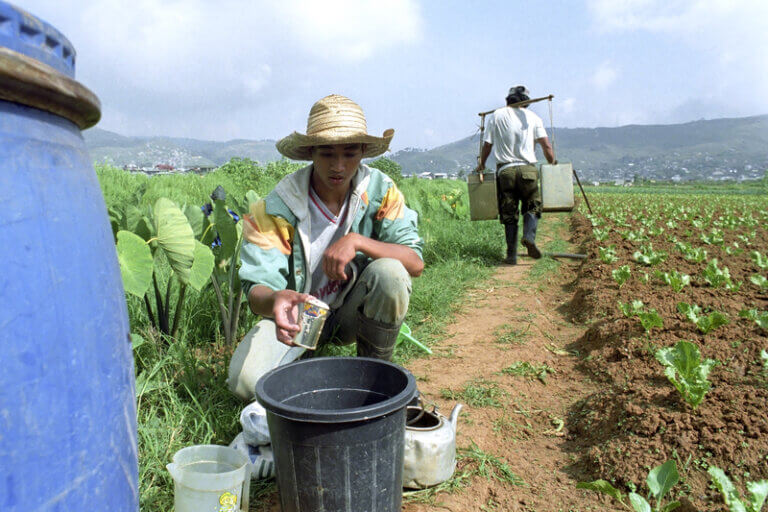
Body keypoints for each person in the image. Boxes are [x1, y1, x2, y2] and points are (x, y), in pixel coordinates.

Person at [227, 94, 424, 401]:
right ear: (310, 153)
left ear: (362, 153)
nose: (339, 166)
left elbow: (414, 262)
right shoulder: (277, 207)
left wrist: (358, 241)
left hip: (349, 313)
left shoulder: (380, 190)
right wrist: (277, 299)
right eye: (327, 154)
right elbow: (256, 289)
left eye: (349, 153)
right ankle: (300, 367)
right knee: (245, 383)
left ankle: (375, 377)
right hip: (296, 317)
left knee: (391, 273)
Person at [475, 85, 556, 264]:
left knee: (509, 214)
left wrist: (481, 164)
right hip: (528, 170)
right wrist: (552, 163)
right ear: (526, 102)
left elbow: (487, 145)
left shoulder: (496, 115)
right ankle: (529, 237)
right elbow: (546, 146)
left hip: (505, 172)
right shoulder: (534, 118)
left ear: (509, 99)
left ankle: (511, 255)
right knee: (533, 206)